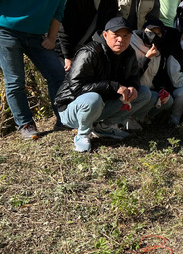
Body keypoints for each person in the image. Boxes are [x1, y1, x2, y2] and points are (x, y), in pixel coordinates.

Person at [0, 0, 72, 139]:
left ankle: (64, 119)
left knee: (58, 74)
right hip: (6, 31)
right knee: (15, 80)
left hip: (37, 36)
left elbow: (58, 12)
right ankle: (26, 125)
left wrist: (51, 38)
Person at [54, 17, 152, 152]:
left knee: (144, 93)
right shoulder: (90, 52)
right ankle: (82, 134)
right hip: (72, 107)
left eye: (125, 36)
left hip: (101, 104)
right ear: (105, 35)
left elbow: (133, 76)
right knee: (93, 98)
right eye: (116, 35)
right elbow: (76, 87)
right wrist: (113, 86)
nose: (120, 40)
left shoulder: (129, 52)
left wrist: (132, 87)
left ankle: (105, 128)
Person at [57, 0, 119, 72]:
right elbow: (64, 28)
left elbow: (106, 30)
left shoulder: (111, 1)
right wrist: (68, 56)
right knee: (62, 79)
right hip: (63, 49)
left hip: (87, 50)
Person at [128, 18, 173, 129]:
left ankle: (140, 117)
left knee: (168, 100)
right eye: (151, 31)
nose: (154, 35)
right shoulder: (131, 44)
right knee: (149, 95)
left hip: (149, 88)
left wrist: (162, 89)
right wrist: (147, 58)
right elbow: (133, 74)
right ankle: (126, 117)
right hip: (132, 88)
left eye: (158, 33)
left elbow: (158, 75)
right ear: (143, 29)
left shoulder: (158, 50)